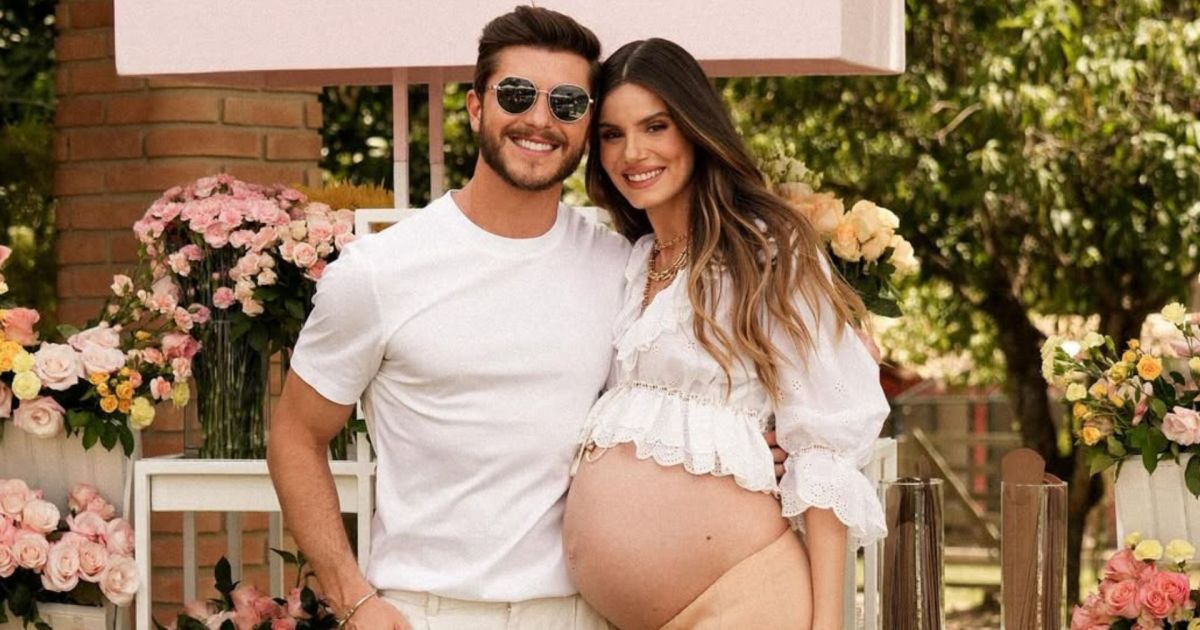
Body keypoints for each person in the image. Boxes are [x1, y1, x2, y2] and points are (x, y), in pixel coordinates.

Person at [267, 7, 630, 629]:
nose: (540, 120)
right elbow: (295, 437)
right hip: (427, 612)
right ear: (476, 108)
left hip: (580, 613)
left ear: (588, 125)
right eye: (517, 95)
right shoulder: (380, 271)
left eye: (567, 103)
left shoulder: (619, 267)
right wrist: (352, 597)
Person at [563, 38, 891, 630]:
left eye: (655, 126)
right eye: (611, 134)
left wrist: (829, 625)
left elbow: (824, 444)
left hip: (741, 600)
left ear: (695, 128)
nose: (633, 152)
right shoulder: (633, 262)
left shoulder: (768, 250)